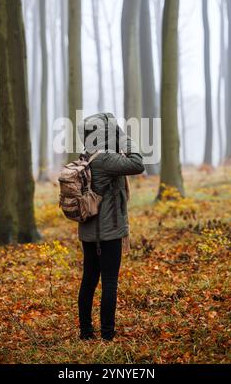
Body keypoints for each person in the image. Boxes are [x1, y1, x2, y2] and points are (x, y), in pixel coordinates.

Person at [77, 112, 144, 341]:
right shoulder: (105, 159)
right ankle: (107, 335)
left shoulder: (87, 155)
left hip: (88, 232)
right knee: (109, 283)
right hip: (109, 232)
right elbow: (137, 163)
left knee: (89, 280)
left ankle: (86, 332)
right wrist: (122, 135)